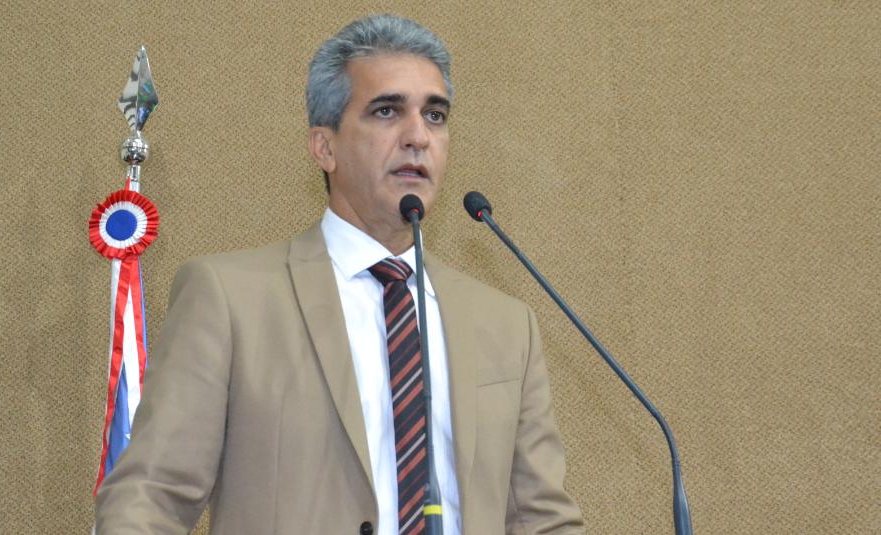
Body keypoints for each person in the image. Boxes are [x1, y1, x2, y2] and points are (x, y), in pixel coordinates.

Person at [95, 14, 584, 535]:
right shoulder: (229, 300)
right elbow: (150, 498)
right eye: (387, 111)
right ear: (324, 147)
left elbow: (542, 520)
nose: (418, 136)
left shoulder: (506, 325)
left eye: (435, 115)